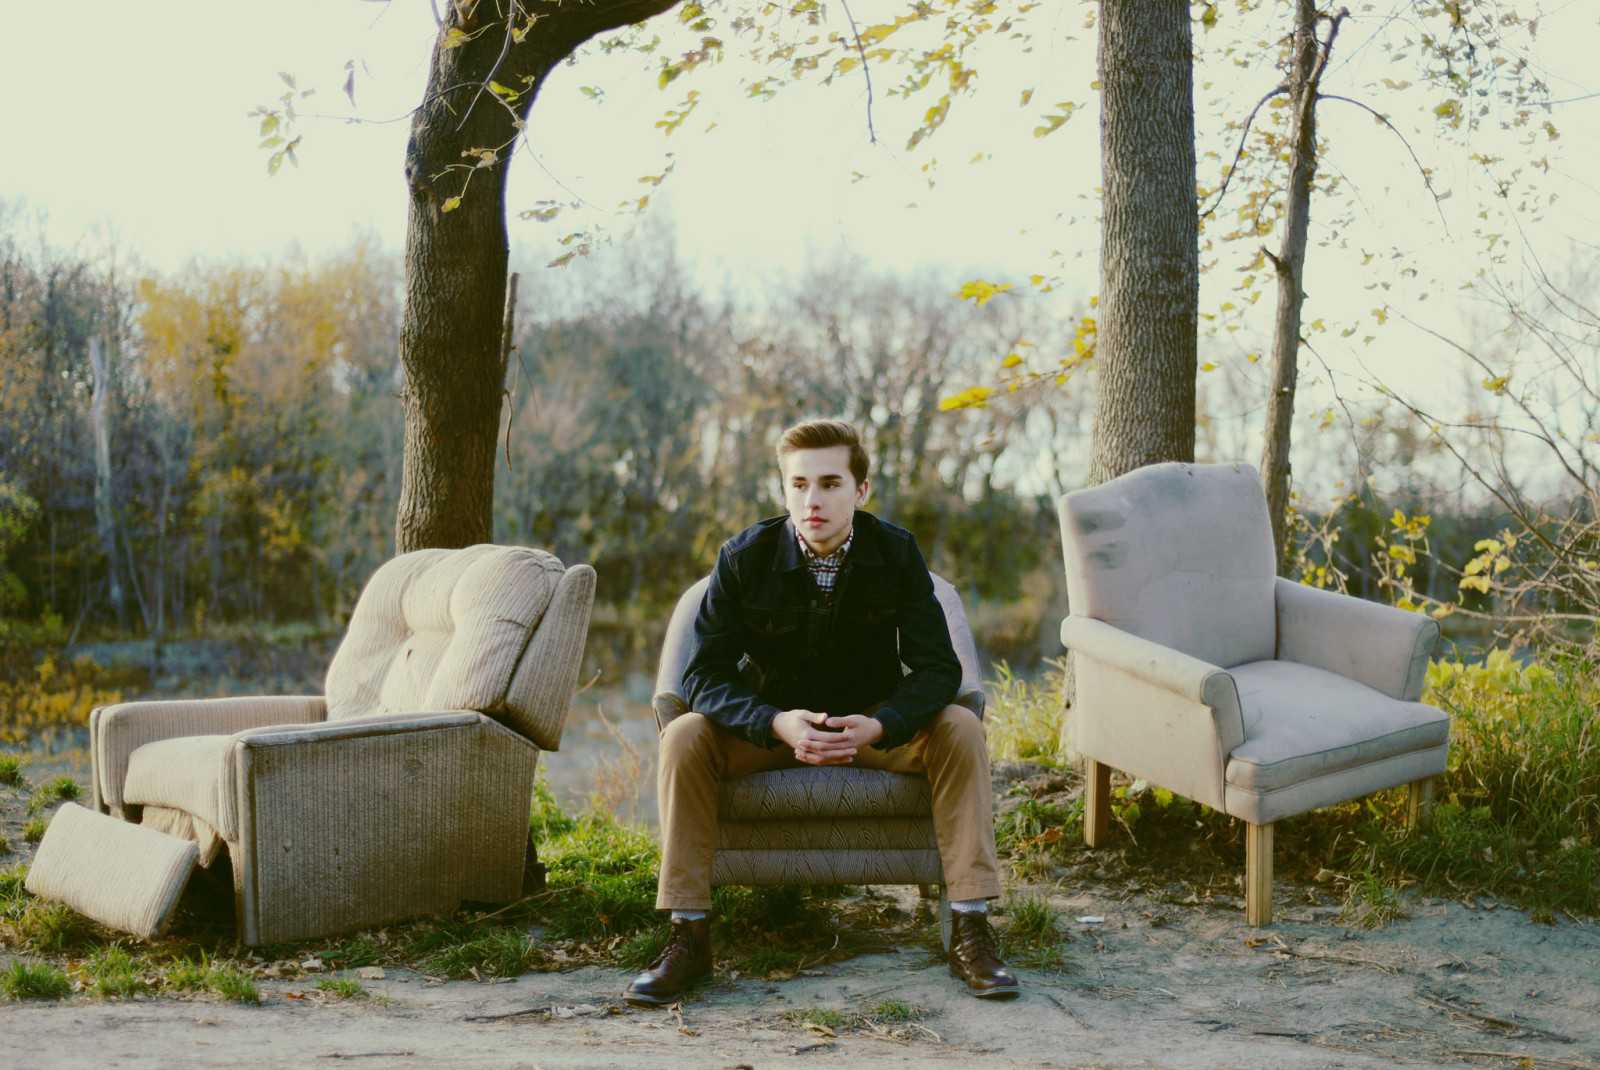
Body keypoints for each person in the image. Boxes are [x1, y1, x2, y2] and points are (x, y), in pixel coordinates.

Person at [624, 418, 1017, 1007]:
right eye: (799, 484)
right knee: (683, 737)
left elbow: (939, 669)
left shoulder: (896, 551)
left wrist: (883, 723)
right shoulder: (743, 557)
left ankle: (970, 928)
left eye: (831, 483)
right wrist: (774, 722)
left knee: (960, 726)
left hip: (872, 726)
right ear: (783, 490)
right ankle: (688, 936)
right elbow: (701, 674)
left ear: (861, 491)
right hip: (773, 727)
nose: (814, 500)